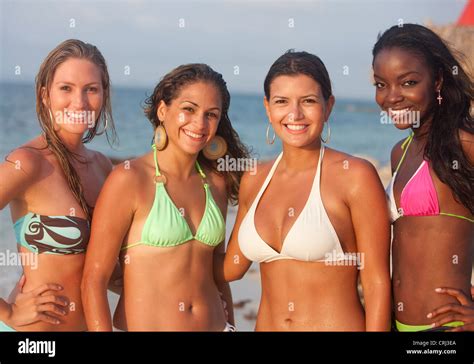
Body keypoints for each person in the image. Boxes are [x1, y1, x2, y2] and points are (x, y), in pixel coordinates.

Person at [215, 50, 391, 331]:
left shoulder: (355, 176)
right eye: (282, 101)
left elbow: (376, 282)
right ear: (267, 107)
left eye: (308, 101)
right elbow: (231, 268)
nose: (294, 114)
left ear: (328, 106)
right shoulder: (255, 178)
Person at [82, 63, 250, 331]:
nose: (199, 123)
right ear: (163, 110)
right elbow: (93, 278)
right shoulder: (129, 179)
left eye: (211, 114)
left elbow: (216, 274)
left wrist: (230, 323)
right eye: (189, 109)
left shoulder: (216, 183)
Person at [0, 39, 120, 331]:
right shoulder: (27, 163)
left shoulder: (104, 167)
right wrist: (7, 313)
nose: (79, 102)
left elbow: (110, 272)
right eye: (66, 88)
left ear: (104, 95)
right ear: (45, 95)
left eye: (91, 89)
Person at [372, 23, 474, 331]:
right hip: (397, 323)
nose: (392, 97)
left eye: (408, 82)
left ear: (439, 80)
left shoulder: (465, 144)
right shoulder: (398, 152)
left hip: (446, 328)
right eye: (381, 84)